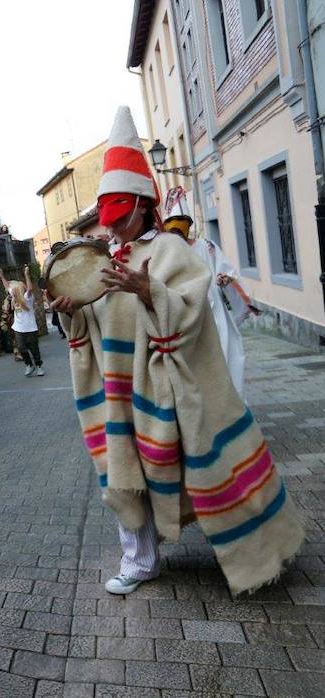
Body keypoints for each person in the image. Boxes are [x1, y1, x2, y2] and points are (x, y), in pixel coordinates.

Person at [50, 106, 303, 596]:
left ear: (144, 205)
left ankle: (261, 551)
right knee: (124, 471)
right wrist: (70, 310)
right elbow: (91, 329)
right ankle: (139, 560)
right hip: (121, 390)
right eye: (108, 220)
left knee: (213, 467)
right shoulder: (102, 260)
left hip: (167, 391)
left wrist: (148, 292)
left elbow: (192, 315)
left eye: (120, 217)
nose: (114, 228)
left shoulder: (170, 252)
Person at [163, 204, 257, 399]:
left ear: (187, 227)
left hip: (214, 314)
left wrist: (224, 279)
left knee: (225, 356)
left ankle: (229, 408)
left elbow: (226, 272)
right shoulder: (165, 252)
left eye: (180, 228)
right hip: (183, 316)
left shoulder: (206, 247)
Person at [0, 269, 44, 376]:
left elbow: (30, 288)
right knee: (21, 347)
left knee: (34, 348)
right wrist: (1, 276)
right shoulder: (13, 297)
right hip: (18, 328)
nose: (11, 289)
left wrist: (27, 275)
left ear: (19, 289)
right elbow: (6, 286)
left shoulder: (27, 298)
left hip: (30, 328)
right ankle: (29, 364)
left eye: (14, 288)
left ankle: (38, 366)